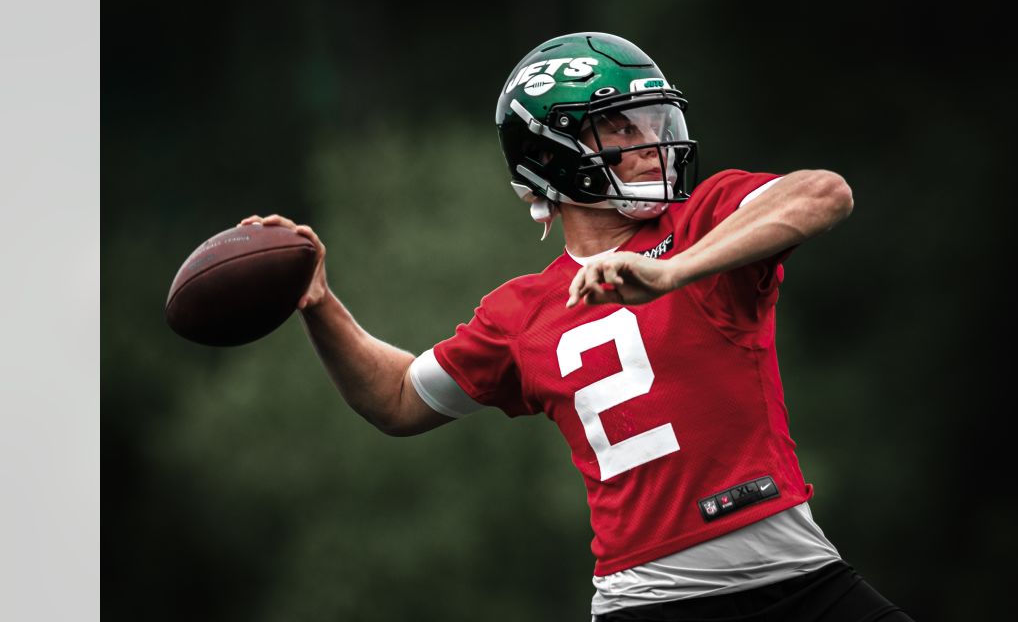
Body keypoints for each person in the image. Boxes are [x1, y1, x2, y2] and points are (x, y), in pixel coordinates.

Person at [241, 32, 914, 621]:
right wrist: (320, 305)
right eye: (621, 128)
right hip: (652, 603)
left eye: (653, 123)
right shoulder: (517, 313)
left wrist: (675, 273)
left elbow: (825, 193)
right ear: (552, 151)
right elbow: (396, 400)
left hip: (797, 573)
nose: (651, 144)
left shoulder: (705, 224)